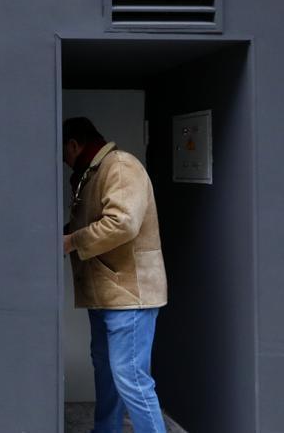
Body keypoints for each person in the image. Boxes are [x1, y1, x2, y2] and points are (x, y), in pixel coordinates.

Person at [62, 116, 168, 433]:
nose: (64, 162)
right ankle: (105, 430)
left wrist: (71, 241)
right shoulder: (94, 172)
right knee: (108, 371)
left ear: (74, 145)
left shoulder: (120, 166)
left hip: (130, 295)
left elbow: (122, 223)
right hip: (108, 293)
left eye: (64, 153)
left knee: (131, 378)